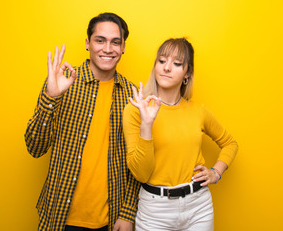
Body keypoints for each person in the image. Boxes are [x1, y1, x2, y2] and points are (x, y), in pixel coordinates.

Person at [25, 12, 140, 231]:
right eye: (100, 40)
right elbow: (34, 147)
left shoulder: (132, 96)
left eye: (116, 42)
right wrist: (51, 97)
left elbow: (135, 161)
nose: (108, 49)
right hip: (59, 216)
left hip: (112, 218)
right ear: (88, 43)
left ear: (123, 47)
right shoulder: (61, 82)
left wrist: (128, 212)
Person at [123, 38, 238, 231]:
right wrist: (147, 124)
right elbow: (141, 174)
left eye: (177, 63)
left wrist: (215, 172)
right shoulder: (135, 110)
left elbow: (230, 143)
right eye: (161, 61)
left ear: (187, 73)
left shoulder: (198, 111)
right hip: (154, 210)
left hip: (198, 206)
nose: (167, 67)